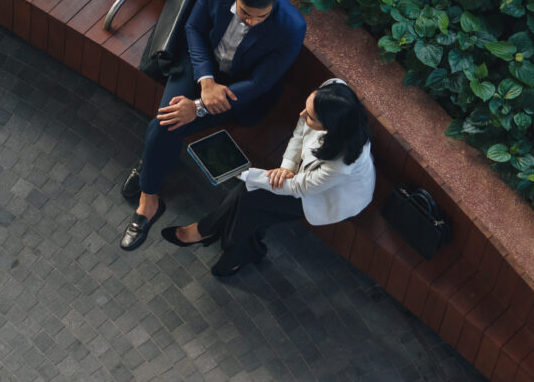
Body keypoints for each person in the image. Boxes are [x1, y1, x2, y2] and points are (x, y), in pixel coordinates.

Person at [119, 0, 307, 251]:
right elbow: (194, 27)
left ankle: (149, 178)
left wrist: (198, 106)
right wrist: (205, 82)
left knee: (166, 124)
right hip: (199, 65)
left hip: (238, 91)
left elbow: (260, 83)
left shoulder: (292, 27)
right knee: (166, 122)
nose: (251, 22)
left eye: (261, 16)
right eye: (245, 13)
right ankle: (150, 196)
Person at [161, 79, 375, 277]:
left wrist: (243, 173)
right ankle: (228, 247)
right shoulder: (332, 89)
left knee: (249, 198)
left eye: (310, 116)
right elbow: (300, 133)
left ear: (330, 125)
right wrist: (287, 167)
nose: (301, 115)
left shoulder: (342, 163)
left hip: (325, 197)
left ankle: (207, 231)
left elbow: (300, 188)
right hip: (303, 178)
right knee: (249, 200)